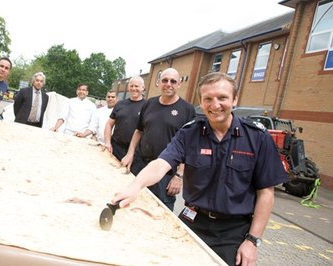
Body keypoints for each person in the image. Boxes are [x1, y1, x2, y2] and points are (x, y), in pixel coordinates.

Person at [112, 72, 288, 266]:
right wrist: (135, 186)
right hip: (192, 220)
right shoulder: (190, 132)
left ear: (235, 99)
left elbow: (266, 194)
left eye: (222, 98)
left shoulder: (257, 138)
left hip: (233, 231)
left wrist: (253, 241)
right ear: (201, 102)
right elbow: (161, 164)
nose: (215, 105)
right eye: (208, 99)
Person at [121, 68, 196, 210]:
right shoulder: (149, 104)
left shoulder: (187, 110)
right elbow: (138, 131)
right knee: (131, 204)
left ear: (179, 84)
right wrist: (130, 153)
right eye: (165, 80)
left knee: (158, 211)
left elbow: (190, 147)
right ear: (158, 83)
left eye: (173, 81)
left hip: (166, 174)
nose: (169, 84)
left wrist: (179, 176)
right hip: (140, 166)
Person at [104, 76, 146, 160]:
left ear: (143, 87)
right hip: (115, 148)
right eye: (131, 86)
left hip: (135, 152)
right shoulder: (120, 104)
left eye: (136, 86)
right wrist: (108, 143)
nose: (134, 88)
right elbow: (109, 124)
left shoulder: (147, 106)